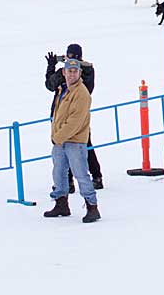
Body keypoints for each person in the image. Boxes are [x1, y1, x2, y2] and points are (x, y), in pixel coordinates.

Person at [43, 57, 100, 223]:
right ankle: (61, 203)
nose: (72, 74)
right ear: (64, 72)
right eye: (69, 71)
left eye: (75, 71)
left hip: (74, 141)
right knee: (58, 173)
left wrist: (57, 137)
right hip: (60, 141)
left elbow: (75, 121)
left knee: (81, 174)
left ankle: (92, 206)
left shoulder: (82, 93)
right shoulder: (64, 90)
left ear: (80, 73)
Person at [45, 43, 103, 191]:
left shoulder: (86, 71)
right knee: (66, 151)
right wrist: (51, 67)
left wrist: (83, 66)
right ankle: (69, 181)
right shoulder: (64, 72)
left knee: (83, 147)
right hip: (60, 114)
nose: (71, 73)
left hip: (78, 117)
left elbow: (88, 86)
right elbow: (50, 85)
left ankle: (94, 178)